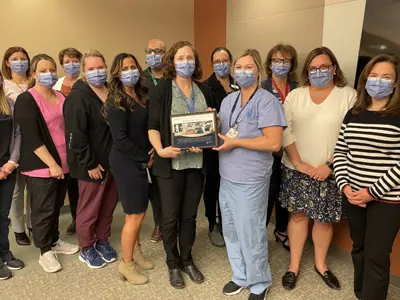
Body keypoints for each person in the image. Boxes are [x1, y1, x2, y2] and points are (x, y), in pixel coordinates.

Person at [279, 47, 356, 290]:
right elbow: (285, 129)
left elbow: (350, 136)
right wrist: (299, 162)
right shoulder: (295, 96)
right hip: (296, 168)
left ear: (334, 69)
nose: (319, 71)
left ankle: (321, 265)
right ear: (306, 71)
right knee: (298, 216)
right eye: (313, 68)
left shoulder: (348, 96)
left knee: (324, 220)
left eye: (324, 67)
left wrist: (330, 165)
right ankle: (293, 266)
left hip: (331, 170)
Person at [214, 49, 286, 300]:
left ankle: (259, 282)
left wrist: (238, 143)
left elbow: (274, 143)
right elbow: (221, 133)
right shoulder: (228, 100)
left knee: (251, 232)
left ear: (258, 72)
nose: (243, 71)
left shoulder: (267, 101)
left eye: (249, 67)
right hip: (228, 176)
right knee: (231, 230)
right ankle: (240, 276)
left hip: (251, 180)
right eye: (239, 67)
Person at [148, 41, 214, 289]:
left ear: (196, 62)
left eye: (190, 58)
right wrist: (160, 150)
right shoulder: (162, 90)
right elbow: (153, 126)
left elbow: (210, 123)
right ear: (172, 62)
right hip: (170, 164)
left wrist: (209, 126)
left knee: (189, 216)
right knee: (170, 216)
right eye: (180, 57)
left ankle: (187, 258)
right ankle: (172, 263)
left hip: (196, 164)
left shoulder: (204, 89)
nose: (186, 62)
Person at [334, 54, 400, 300]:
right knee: (359, 249)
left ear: (395, 83)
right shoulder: (354, 113)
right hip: (353, 196)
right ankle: (361, 294)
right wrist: (345, 185)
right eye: (373, 76)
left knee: (376, 254)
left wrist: (373, 191)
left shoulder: (397, 114)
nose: (378, 81)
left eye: (386, 77)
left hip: (387, 200)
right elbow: (340, 150)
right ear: (365, 79)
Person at [14, 54, 79, 273]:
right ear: (33, 74)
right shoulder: (27, 100)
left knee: (56, 206)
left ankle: (54, 240)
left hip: (64, 161)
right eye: (43, 70)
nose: (49, 74)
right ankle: (44, 251)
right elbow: (32, 137)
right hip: (42, 164)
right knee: (43, 209)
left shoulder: (60, 96)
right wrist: (52, 163)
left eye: (52, 69)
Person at [63, 50, 118, 269]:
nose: (97, 72)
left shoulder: (110, 92)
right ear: (84, 72)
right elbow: (76, 136)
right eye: (91, 69)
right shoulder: (79, 96)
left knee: (108, 205)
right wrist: (90, 163)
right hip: (91, 165)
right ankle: (86, 247)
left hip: (113, 161)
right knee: (90, 207)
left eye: (100, 67)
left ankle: (102, 240)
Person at [105, 53, 154, 285]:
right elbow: (121, 139)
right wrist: (144, 157)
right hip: (127, 161)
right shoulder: (116, 100)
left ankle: (136, 251)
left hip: (139, 159)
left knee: (136, 212)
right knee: (135, 215)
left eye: (133, 66)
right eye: (125, 68)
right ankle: (127, 264)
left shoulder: (140, 95)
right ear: (116, 72)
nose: (130, 71)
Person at [261, 43, 298, 251]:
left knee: (286, 193)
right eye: (276, 60)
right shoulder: (262, 88)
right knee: (268, 194)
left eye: (285, 61)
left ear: (291, 64)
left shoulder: (298, 89)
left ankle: (281, 230)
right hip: (270, 152)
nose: (280, 65)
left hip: (292, 151)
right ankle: (262, 234)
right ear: (269, 64)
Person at [203, 47, 238, 248]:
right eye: (217, 61)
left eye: (225, 60)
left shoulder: (238, 83)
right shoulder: (207, 87)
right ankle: (212, 223)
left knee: (230, 187)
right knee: (213, 185)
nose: (221, 64)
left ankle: (228, 222)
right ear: (212, 64)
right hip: (214, 146)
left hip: (236, 144)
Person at [1, 46, 31, 246]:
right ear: (7, 63)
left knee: (36, 190)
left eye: (23, 58)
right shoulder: (5, 85)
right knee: (17, 191)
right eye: (15, 58)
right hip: (15, 146)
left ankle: (33, 225)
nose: (20, 62)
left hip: (38, 144)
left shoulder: (35, 81)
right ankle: (19, 229)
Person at [53, 47, 83, 235]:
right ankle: (74, 219)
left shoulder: (87, 81)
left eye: (75, 60)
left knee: (82, 186)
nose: (71, 64)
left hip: (83, 138)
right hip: (63, 139)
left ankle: (82, 219)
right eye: (67, 61)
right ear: (62, 65)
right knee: (69, 184)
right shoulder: (57, 85)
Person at [0, 72, 24, 280]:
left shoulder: (8, 103)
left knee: (3, 215)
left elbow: (17, 133)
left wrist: (11, 162)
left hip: (7, 167)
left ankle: (5, 253)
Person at [143, 38, 167, 243]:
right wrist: (149, 146)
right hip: (148, 142)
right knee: (155, 189)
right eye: (150, 51)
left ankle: (171, 222)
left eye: (158, 51)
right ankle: (160, 223)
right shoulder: (140, 80)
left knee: (171, 186)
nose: (154, 54)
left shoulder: (173, 77)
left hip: (171, 139)